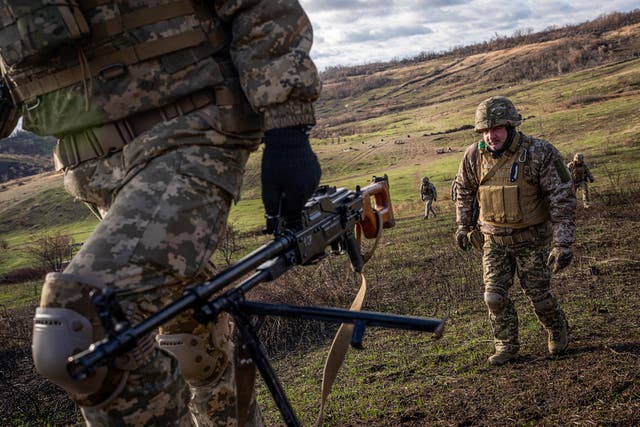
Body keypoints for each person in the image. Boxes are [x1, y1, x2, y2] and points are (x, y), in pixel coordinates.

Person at [1, 0, 321, 425]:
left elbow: (261, 6)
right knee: (193, 336)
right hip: (93, 170)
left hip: (191, 134)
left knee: (85, 327)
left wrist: (288, 125)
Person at [452, 96, 576, 366]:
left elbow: (562, 196)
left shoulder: (539, 152)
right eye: (485, 130)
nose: (490, 135)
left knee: (539, 295)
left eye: (496, 128)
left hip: (531, 239)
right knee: (494, 296)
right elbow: (463, 190)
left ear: (511, 126)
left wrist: (563, 243)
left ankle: (556, 328)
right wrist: (464, 225)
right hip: (493, 240)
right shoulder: (474, 155)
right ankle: (506, 344)